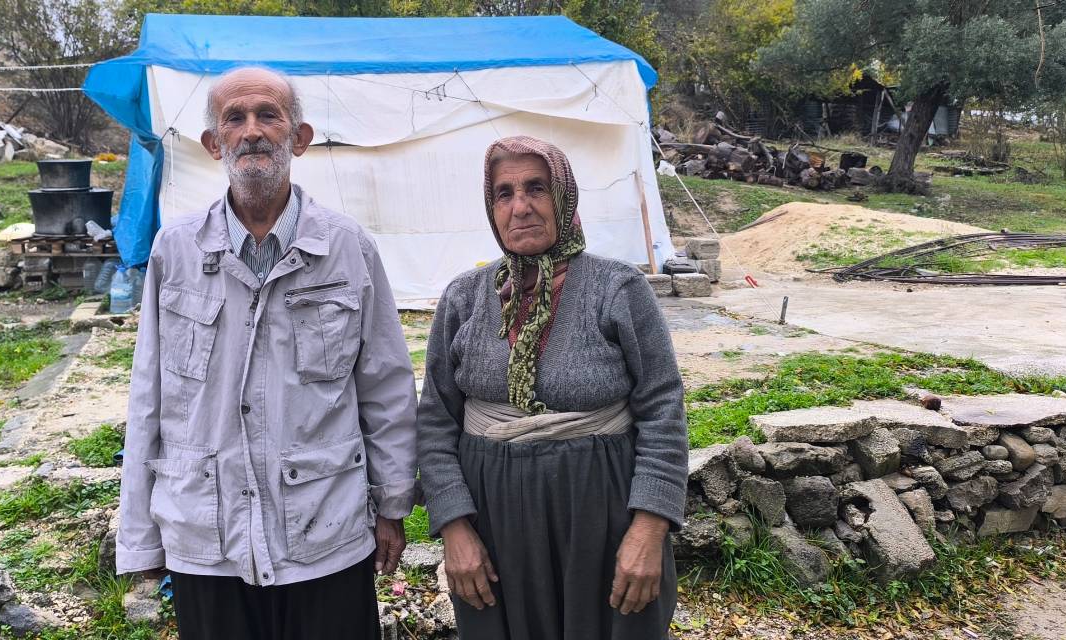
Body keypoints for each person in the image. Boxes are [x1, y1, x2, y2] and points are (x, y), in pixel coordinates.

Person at [117, 67, 419, 640]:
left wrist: (393, 504)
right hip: (207, 535)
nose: (252, 131)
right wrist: (139, 536)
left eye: (268, 115)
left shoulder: (348, 248)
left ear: (298, 138)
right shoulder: (174, 251)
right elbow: (148, 398)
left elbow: (385, 386)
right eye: (234, 118)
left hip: (324, 530)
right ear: (213, 144)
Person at [418, 135, 688, 640]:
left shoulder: (618, 288)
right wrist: (454, 527)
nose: (520, 207)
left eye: (536, 188)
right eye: (504, 193)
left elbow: (663, 409)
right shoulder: (463, 298)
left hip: (603, 517)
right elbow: (435, 420)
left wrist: (649, 529)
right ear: (490, 206)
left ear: (563, 196)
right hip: (493, 528)